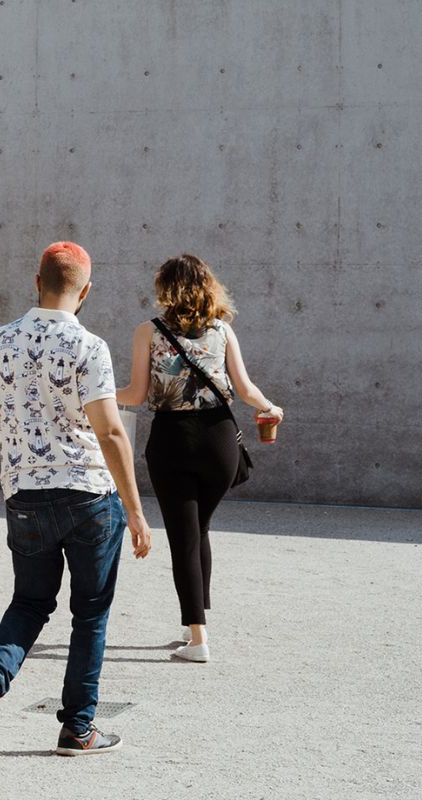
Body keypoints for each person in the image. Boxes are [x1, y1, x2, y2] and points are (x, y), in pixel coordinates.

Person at [0, 242, 152, 756]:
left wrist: (16, 409)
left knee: (30, 601)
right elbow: (111, 433)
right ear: (85, 291)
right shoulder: (89, 345)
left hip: (24, 496)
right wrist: (135, 511)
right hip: (89, 496)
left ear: (35, 280)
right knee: (89, 613)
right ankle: (78, 728)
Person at [115, 254, 283, 663]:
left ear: (165, 288)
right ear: (208, 285)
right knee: (199, 528)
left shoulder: (147, 332)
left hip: (173, 439)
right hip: (220, 441)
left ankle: (198, 638)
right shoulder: (222, 330)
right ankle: (197, 621)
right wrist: (269, 406)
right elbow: (244, 389)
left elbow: (136, 396)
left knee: (184, 538)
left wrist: (97, 397)